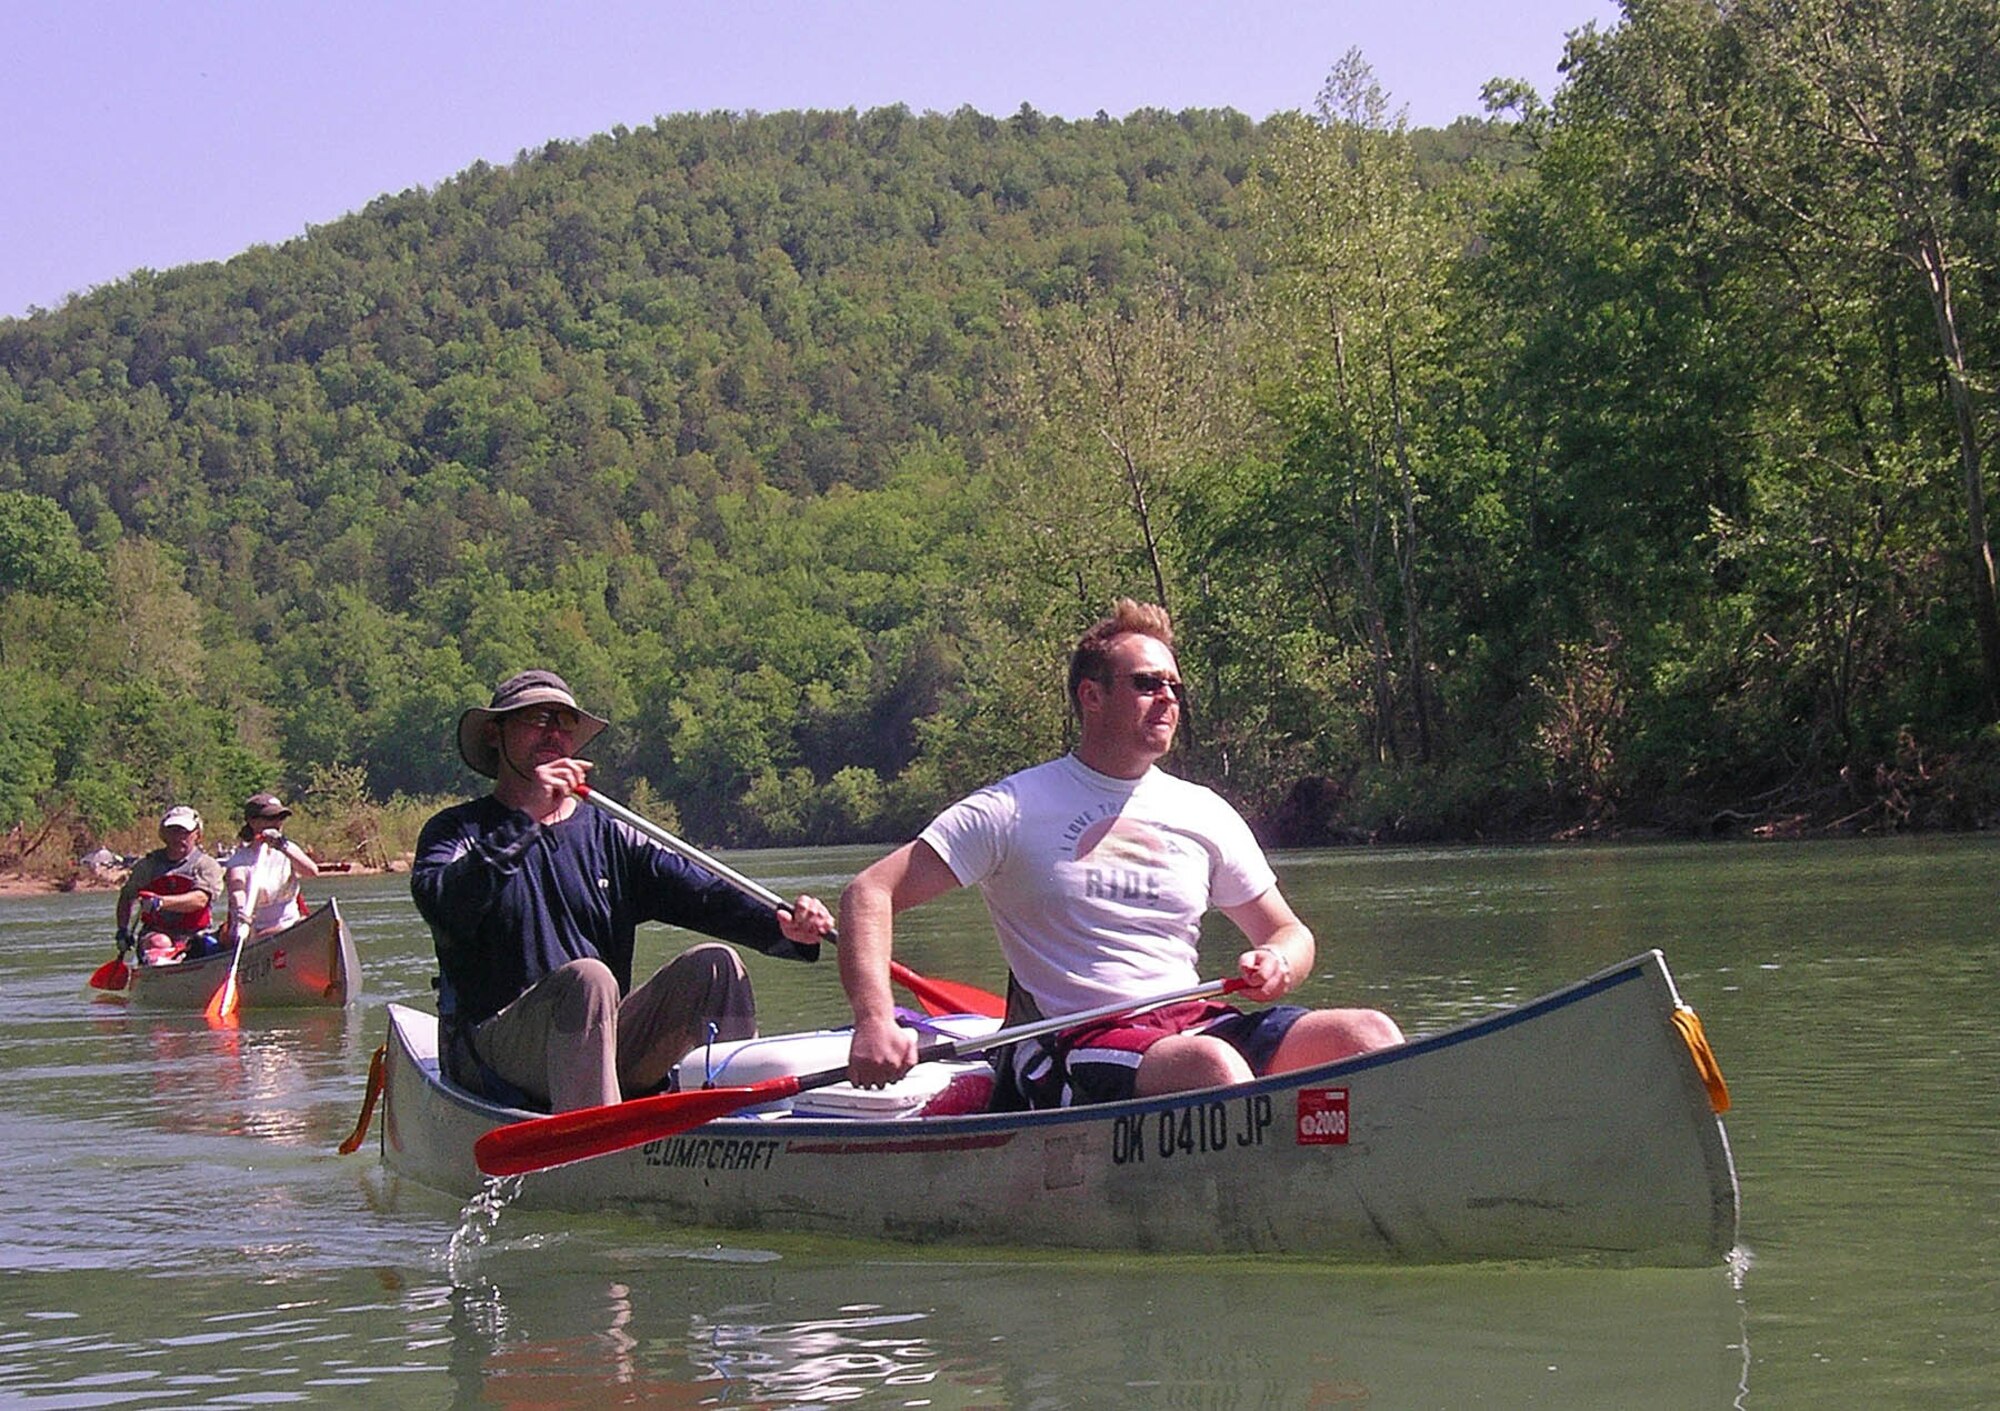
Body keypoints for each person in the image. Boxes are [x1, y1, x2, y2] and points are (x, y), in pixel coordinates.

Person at [840, 599, 1404, 1108]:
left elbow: (1290, 933)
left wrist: (1279, 962)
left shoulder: (1204, 810)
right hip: (1071, 1041)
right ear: (1092, 695)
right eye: (1147, 684)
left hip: (1193, 1023)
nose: (1167, 699)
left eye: (1174, 688)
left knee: (1369, 1036)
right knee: (1212, 1067)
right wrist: (875, 1020)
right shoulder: (1010, 808)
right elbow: (870, 893)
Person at [412, 669, 836, 1113]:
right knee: (589, 978)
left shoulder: (611, 836)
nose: (554, 732)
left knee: (716, 966)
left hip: (599, 1037)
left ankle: (734, 1131)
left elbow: (706, 894)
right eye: (537, 719)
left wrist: (785, 925)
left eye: (565, 722)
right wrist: (526, 819)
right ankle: (598, 1150)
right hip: (498, 1050)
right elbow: (445, 908)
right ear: (496, 735)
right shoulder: (455, 830)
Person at [116, 806, 227, 966]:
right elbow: (127, 897)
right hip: (156, 933)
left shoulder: (206, 865)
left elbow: (200, 900)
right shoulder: (148, 866)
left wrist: (161, 902)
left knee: (219, 942)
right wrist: (122, 930)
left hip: (196, 933)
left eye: (184, 832)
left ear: (197, 834)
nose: (178, 837)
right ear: (164, 834)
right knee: (160, 942)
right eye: (173, 831)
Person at [222, 792, 321, 946]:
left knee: (305, 926)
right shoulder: (239, 860)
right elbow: (237, 890)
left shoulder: (288, 849)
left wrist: (282, 847)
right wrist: (241, 909)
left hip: (292, 924)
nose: (277, 823)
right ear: (252, 822)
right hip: (255, 930)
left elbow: (312, 872)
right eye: (270, 818)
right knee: (285, 931)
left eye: (280, 818)